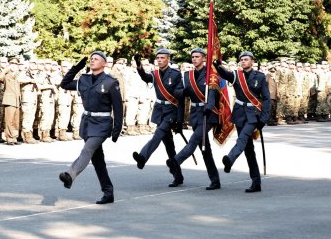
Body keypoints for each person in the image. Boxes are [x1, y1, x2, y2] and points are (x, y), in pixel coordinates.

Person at [59, 51, 123, 205]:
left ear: (104, 63)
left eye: (96, 59)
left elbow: (118, 107)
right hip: (87, 123)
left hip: (102, 124)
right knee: (97, 160)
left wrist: (117, 128)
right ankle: (108, 192)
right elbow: (65, 84)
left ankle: (70, 174)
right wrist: (76, 67)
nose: (92, 61)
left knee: (87, 150)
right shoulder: (84, 79)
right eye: (91, 59)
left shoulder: (110, 82)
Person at [213, 51, 270, 193]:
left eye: (246, 59)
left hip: (253, 116)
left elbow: (267, 99)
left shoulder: (260, 77)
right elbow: (225, 75)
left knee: (242, 138)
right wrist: (218, 66)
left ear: (252, 62)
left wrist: (263, 119)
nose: (243, 61)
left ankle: (230, 159)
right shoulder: (236, 75)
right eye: (241, 60)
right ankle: (256, 182)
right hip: (239, 114)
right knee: (248, 150)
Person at [166, 48, 221, 190]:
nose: (194, 59)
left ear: (204, 58)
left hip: (208, 113)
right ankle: (215, 180)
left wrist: (209, 107)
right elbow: (177, 92)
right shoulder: (187, 75)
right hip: (195, 113)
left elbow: (213, 95)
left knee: (195, 140)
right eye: (193, 57)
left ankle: (176, 160)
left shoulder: (210, 75)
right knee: (205, 150)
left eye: (197, 56)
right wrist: (183, 91)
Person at [132, 48, 184, 187]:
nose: (159, 60)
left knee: (158, 134)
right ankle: (178, 176)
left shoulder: (176, 74)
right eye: (158, 58)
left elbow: (180, 98)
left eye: (162, 58)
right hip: (160, 111)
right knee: (169, 147)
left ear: (168, 59)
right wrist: (139, 65)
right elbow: (145, 77)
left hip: (171, 111)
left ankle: (143, 157)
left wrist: (179, 120)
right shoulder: (154, 74)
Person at [0, 58, 22, 145]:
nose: (14, 65)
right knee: (9, 120)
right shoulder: (6, 75)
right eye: (12, 64)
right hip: (9, 100)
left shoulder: (18, 75)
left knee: (16, 120)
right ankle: (9, 138)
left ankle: (14, 137)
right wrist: (6, 69)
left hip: (17, 100)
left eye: (15, 64)